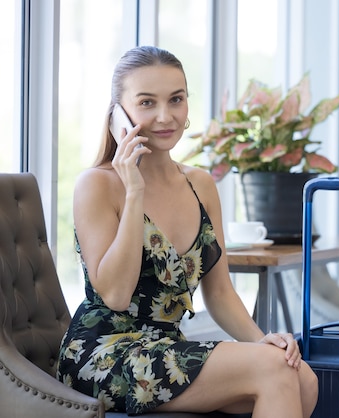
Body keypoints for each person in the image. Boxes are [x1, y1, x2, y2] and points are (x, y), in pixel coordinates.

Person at [57, 45, 318, 417]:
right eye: (146, 103)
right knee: (276, 372)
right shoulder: (97, 185)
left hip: (167, 348)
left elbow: (221, 293)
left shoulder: (200, 184)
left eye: (176, 100)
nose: (166, 117)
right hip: (103, 354)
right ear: (119, 114)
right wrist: (134, 191)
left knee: (301, 376)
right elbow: (115, 294)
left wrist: (264, 341)